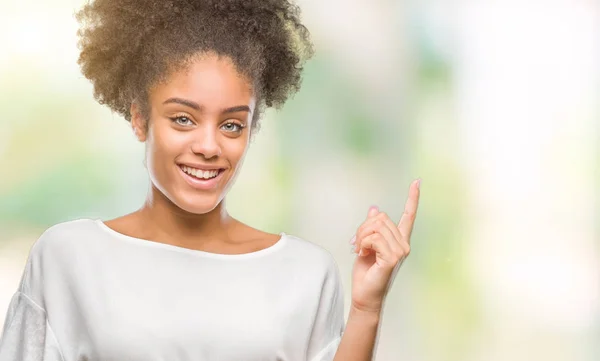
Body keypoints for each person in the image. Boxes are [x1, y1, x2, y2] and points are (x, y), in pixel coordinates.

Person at [0, 0, 421, 360]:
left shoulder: (305, 273)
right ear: (139, 118)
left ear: (252, 129)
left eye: (232, 125)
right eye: (183, 118)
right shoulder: (68, 258)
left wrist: (367, 308)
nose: (208, 146)